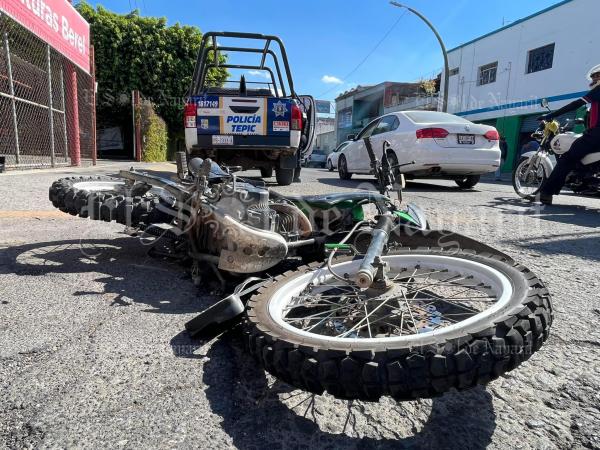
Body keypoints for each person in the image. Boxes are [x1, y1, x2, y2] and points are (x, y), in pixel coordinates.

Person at [537, 65, 600, 205]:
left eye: (596, 76)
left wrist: (550, 115)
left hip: (596, 136)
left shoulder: (598, 90)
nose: (594, 79)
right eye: (593, 76)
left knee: (567, 158)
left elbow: (575, 104)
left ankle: (546, 193)